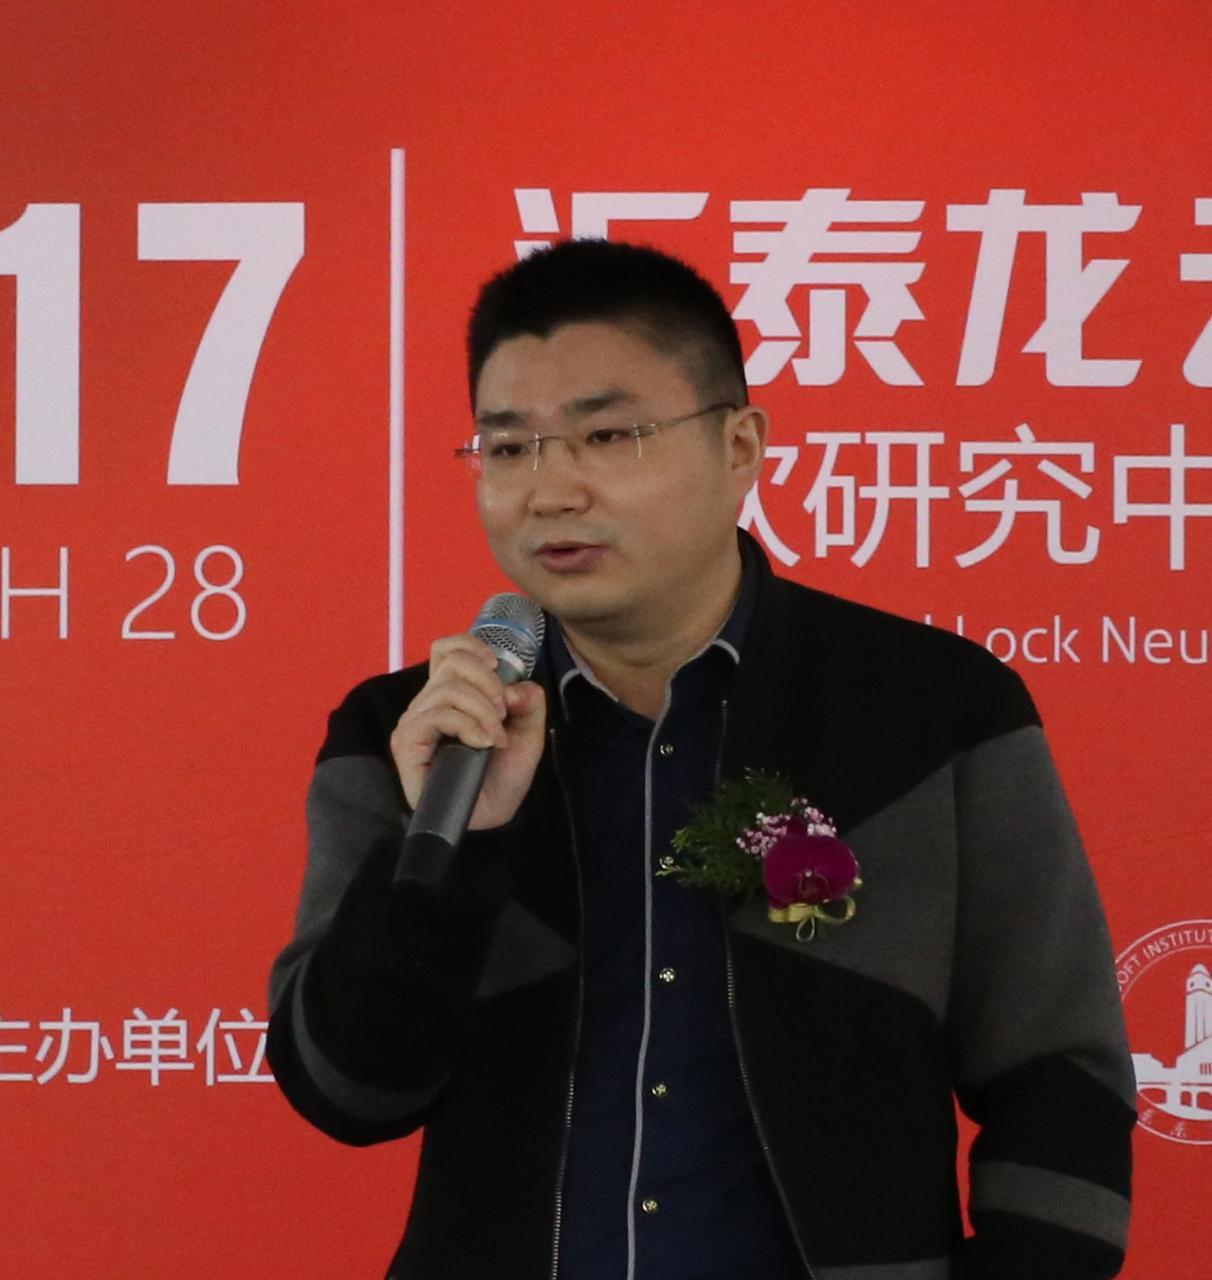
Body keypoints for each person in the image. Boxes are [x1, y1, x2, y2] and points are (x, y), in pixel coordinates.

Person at [267, 239, 1135, 1280]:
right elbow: (349, 1091)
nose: (550, 490)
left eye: (608, 434)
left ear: (740, 446)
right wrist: (454, 849)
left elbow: (1060, 1073)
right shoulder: (413, 735)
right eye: (507, 447)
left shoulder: (934, 710)